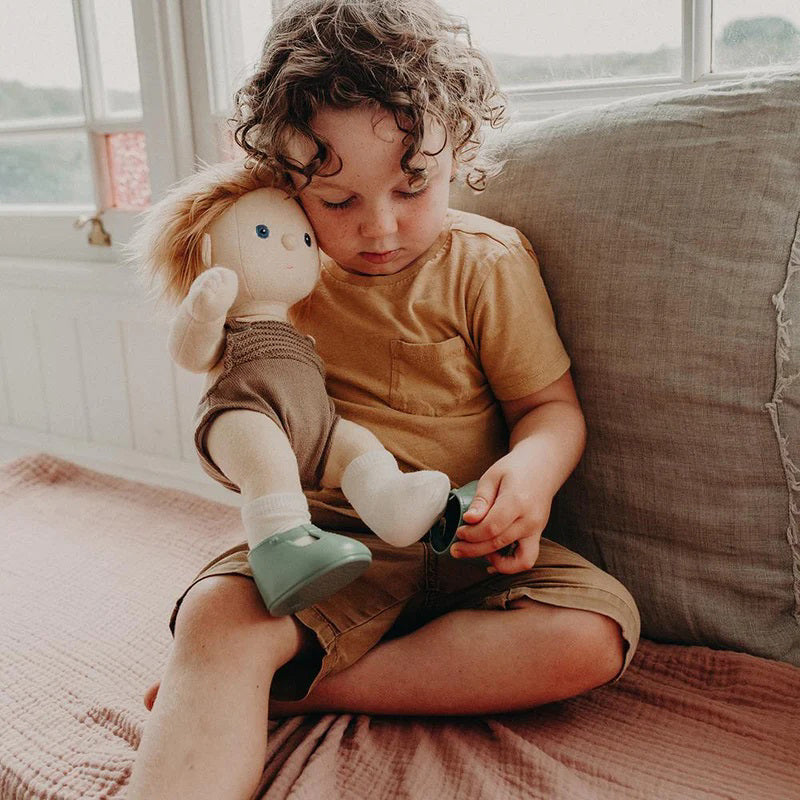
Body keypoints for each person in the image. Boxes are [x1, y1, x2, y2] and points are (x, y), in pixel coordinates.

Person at [126, 1, 640, 798]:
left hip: (465, 554)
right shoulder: (277, 277)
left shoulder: (485, 264)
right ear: (283, 177)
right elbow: (248, 415)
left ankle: (304, 689)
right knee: (214, 620)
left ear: (456, 152)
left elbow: (551, 407)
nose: (380, 228)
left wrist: (530, 479)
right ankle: (246, 678)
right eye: (336, 203)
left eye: (413, 187)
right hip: (325, 554)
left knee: (594, 636)